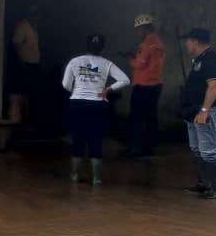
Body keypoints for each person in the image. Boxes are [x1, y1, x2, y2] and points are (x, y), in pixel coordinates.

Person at [62, 34, 130, 186]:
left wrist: (77, 91)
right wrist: (108, 89)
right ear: (102, 48)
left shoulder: (75, 61)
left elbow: (65, 84)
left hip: (77, 104)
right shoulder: (106, 63)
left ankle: (74, 175)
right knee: (96, 139)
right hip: (98, 104)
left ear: (86, 45)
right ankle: (96, 179)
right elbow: (125, 80)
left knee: (78, 139)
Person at [180, 28, 216, 200]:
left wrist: (205, 110)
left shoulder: (210, 59)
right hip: (194, 111)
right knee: (197, 149)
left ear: (196, 41)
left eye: (188, 40)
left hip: (205, 111)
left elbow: (213, 86)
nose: (186, 44)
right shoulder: (199, 59)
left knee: (209, 150)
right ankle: (204, 184)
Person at [123, 14, 166, 157]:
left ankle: (135, 148)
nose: (137, 32)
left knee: (136, 117)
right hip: (155, 85)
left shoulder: (147, 43)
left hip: (143, 86)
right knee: (150, 117)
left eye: (138, 29)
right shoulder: (159, 42)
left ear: (144, 28)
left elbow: (139, 64)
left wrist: (130, 58)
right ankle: (149, 147)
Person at [9, 5, 41, 124]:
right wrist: (20, 62)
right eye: (34, 13)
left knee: (31, 93)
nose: (36, 16)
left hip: (33, 65)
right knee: (22, 93)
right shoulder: (22, 26)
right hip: (25, 65)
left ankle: (28, 120)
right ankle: (20, 121)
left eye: (37, 14)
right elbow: (15, 45)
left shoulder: (34, 27)